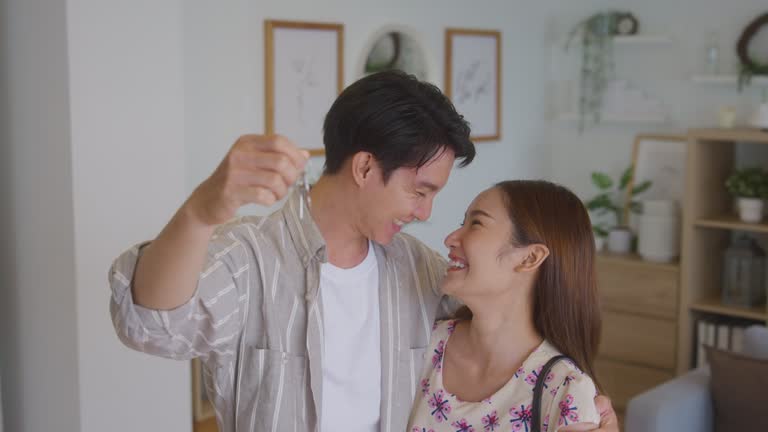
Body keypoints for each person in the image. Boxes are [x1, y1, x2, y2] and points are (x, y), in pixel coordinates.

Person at [109, 71, 618, 432]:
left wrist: (580, 408)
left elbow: (506, 317)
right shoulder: (250, 258)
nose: (426, 213)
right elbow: (151, 326)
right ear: (365, 168)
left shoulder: (419, 271)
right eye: (419, 191)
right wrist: (201, 211)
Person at [409, 180, 604, 432]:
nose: (450, 239)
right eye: (462, 223)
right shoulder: (423, 344)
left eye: (476, 224)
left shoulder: (565, 391)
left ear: (530, 258)